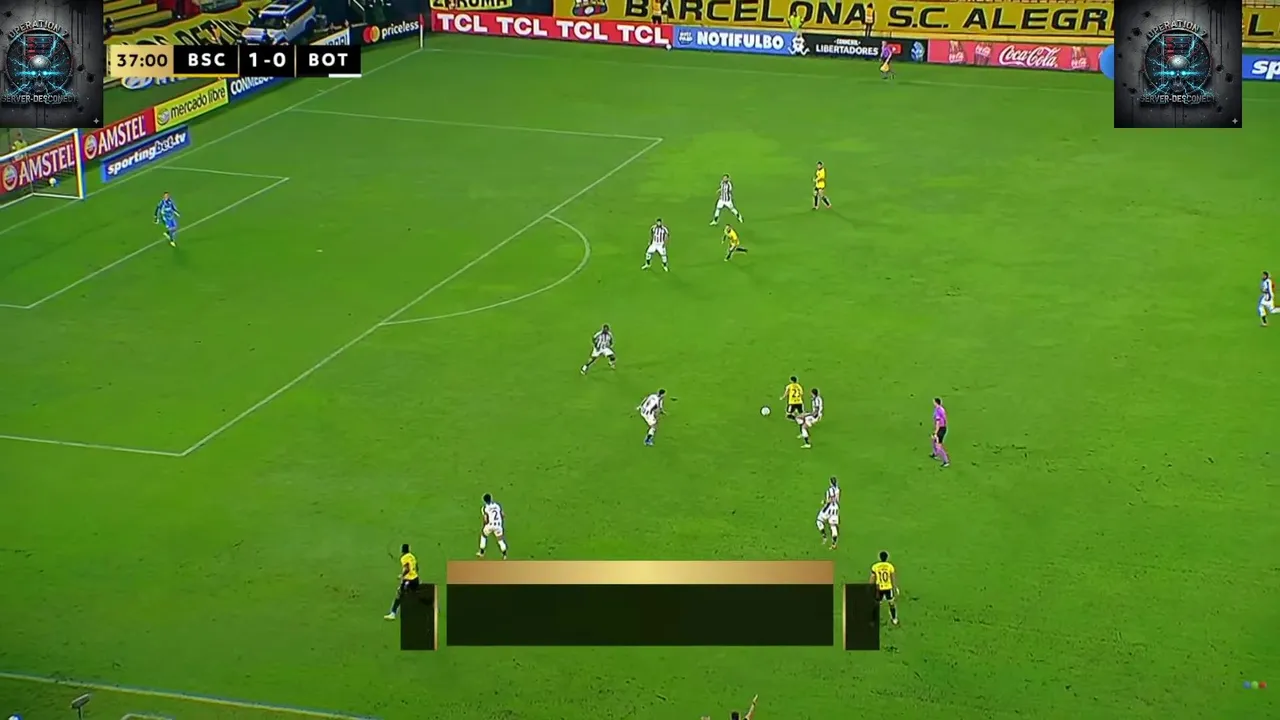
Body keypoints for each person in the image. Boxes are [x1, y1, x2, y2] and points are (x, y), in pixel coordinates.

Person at [384, 543, 419, 620]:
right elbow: (417, 567)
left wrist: (402, 576)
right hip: (415, 578)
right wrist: (413, 574)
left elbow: (407, 569)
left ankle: (393, 614)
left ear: (402, 550)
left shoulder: (404, 558)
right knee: (416, 595)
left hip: (408, 580)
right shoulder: (412, 556)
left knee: (399, 595)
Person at [870, 551, 899, 625]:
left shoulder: (875, 566)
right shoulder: (890, 566)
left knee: (876, 604)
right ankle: (894, 619)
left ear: (879, 557)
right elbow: (892, 577)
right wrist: (895, 587)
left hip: (879, 588)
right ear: (887, 558)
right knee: (891, 603)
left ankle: (873, 620)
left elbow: (873, 578)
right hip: (888, 588)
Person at [931, 397, 949, 467]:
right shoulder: (940, 409)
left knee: (938, 445)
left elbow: (938, 423)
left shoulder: (938, 411)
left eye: (934, 402)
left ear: (936, 402)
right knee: (933, 439)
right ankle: (935, 454)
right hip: (943, 427)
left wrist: (936, 432)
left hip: (941, 429)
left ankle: (946, 461)